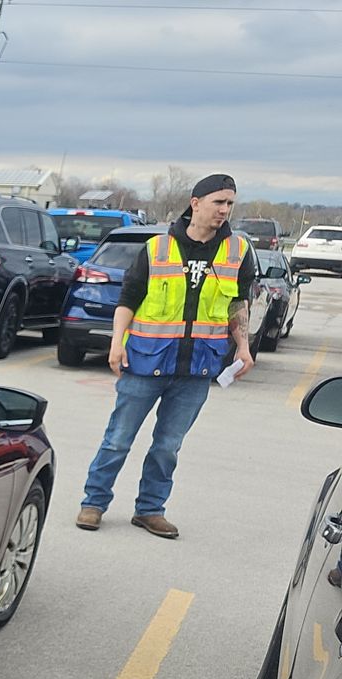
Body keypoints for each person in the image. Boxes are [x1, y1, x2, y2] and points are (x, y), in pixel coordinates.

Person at [75, 173, 257, 538]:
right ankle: (93, 503)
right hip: (146, 361)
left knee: (168, 447)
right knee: (117, 439)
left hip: (197, 368)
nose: (224, 210)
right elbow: (128, 298)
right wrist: (116, 341)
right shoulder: (158, 247)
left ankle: (150, 510)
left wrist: (243, 346)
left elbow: (238, 303)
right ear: (196, 202)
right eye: (218, 201)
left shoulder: (237, 251)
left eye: (230, 203)